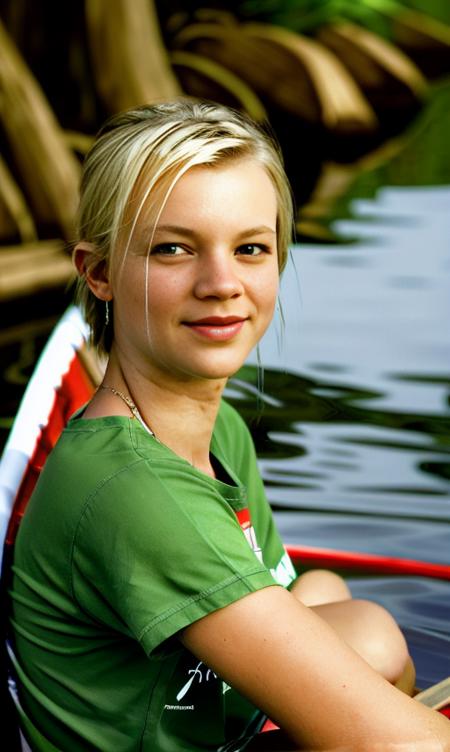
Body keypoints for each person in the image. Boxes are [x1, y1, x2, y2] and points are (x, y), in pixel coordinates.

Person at [9, 100, 450, 752]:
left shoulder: (216, 434)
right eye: (173, 249)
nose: (221, 283)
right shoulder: (135, 490)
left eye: (250, 248)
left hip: (219, 727)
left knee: (353, 614)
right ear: (99, 273)